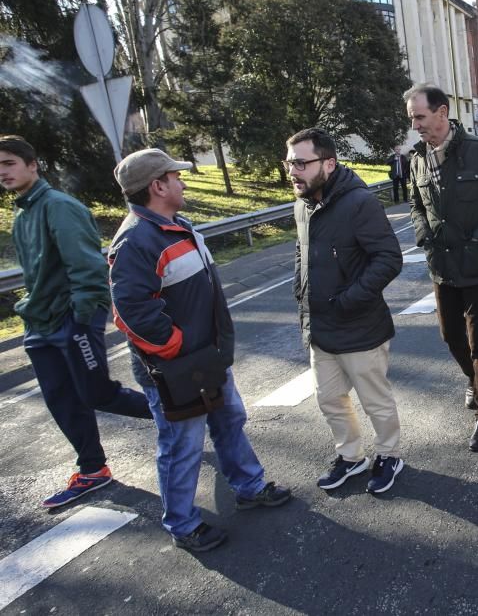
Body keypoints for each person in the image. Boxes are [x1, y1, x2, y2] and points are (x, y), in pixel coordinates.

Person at [109, 148, 291, 552]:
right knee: (181, 445)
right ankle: (183, 524)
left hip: (207, 360)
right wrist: (178, 348)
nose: (183, 182)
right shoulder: (136, 240)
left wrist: (207, 349)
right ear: (157, 186)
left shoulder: (178, 225)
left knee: (229, 420)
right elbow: (131, 311)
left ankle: (249, 486)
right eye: (176, 176)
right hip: (176, 368)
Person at [1, 135, 154, 510]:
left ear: (32, 164)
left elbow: (87, 268)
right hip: (39, 324)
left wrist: (81, 321)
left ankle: (176, 417)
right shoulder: (24, 212)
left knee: (96, 393)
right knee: (61, 399)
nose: (2, 172)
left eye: (8, 163)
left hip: (70, 319)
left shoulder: (58, 206)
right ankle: (92, 470)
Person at [405, 84, 478, 451]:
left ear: (442, 112)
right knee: (450, 336)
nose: (416, 125)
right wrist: (424, 235)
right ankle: (474, 382)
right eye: (412, 118)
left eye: (420, 117)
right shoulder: (418, 158)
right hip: (442, 265)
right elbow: (416, 204)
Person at [288, 128, 405, 494]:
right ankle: (351, 457)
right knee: (330, 400)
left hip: (359, 326)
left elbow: (389, 258)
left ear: (329, 163)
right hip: (320, 328)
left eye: (301, 163)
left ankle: (389, 455)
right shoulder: (302, 205)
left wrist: (349, 300)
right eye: (289, 162)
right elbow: (302, 254)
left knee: (375, 402)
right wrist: (301, 292)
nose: (293, 171)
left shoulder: (360, 203)